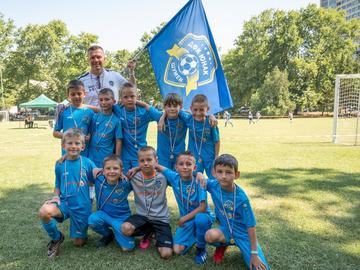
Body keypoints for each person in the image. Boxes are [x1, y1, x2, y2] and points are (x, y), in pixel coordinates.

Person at [38, 128, 96, 258]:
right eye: (70, 143)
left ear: (83, 146)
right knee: (44, 211)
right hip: (64, 203)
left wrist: (92, 194)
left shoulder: (87, 162)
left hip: (82, 206)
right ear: (63, 145)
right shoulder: (59, 164)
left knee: (79, 243)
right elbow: (57, 184)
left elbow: (95, 177)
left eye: (77, 143)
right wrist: (55, 197)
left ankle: (79, 231)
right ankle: (57, 238)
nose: (73, 146)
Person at [204, 154, 269, 269]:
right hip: (227, 230)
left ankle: (248, 250)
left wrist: (254, 254)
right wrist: (199, 174)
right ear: (214, 173)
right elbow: (196, 177)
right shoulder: (213, 185)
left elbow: (251, 226)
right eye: (220, 172)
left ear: (236, 175)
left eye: (228, 172)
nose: (223, 176)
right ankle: (222, 245)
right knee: (210, 236)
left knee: (260, 268)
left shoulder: (241, 199)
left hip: (243, 234)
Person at [156, 151, 214, 264]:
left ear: (195, 167)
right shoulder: (174, 177)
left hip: (202, 216)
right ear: (176, 167)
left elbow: (203, 207)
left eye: (188, 164)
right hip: (187, 221)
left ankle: (201, 249)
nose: (185, 167)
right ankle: (196, 235)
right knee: (177, 250)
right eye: (181, 164)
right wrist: (137, 169)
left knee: (200, 220)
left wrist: (183, 218)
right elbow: (156, 166)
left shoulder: (199, 181)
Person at [121, 146, 173, 259]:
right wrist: (135, 170)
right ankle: (149, 232)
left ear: (156, 160)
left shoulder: (163, 177)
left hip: (160, 219)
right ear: (138, 162)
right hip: (142, 217)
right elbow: (119, 180)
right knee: (125, 228)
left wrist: (197, 174)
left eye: (149, 160)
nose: (145, 163)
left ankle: (155, 232)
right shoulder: (133, 176)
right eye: (142, 161)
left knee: (166, 254)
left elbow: (180, 177)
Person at [88, 155, 134, 250]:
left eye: (116, 168)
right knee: (92, 220)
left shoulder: (126, 183)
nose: (112, 171)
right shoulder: (98, 179)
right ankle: (108, 234)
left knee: (128, 248)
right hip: (104, 215)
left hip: (121, 218)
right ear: (103, 171)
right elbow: (83, 167)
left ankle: (119, 231)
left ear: (122, 171)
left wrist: (136, 169)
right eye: (108, 168)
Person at [113, 83, 158, 173]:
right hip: (124, 155)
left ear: (137, 97)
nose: (129, 99)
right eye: (125, 97)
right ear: (121, 99)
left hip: (141, 155)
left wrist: (144, 105)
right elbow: (103, 109)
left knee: (141, 182)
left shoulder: (143, 111)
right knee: (125, 180)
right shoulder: (118, 109)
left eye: (132, 96)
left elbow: (159, 116)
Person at [136, 93, 187, 170]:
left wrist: (210, 116)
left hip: (179, 158)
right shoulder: (159, 116)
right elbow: (146, 106)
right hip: (162, 158)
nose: (172, 109)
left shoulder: (184, 119)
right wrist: (131, 101)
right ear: (164, 107)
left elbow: (196, 115)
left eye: (175, 106)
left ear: (181, 107)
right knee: (163, 180)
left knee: (177, 180)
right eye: (169, 106)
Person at [178, 94, 220, 178]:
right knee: (194, 179)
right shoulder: (189, 119)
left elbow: (217, 141)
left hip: (210, 156)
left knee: (214, 179)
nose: (198, 113)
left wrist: (216, 157)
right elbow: (176, 109)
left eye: (201, 110)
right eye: (195, 110)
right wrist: (162, 117)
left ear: (207, 109)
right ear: (191, 108)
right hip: (194, 156)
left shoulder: (211, 123)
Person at [53, 80, 94, 156]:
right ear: (68, 95)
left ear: (84, 94)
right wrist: (69, 135)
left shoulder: (90, 112)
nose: (76, 96)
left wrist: (89, 136)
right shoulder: (63, 112)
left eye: (79, 93)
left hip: (84, 155)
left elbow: (92, 132)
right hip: (67, 156)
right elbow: (55, 133)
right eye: (73, 94)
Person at [88, 88, 123, 167]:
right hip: (92, 156)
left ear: (114, 101)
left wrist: (117, 159)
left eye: (107, 99)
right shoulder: (95, 117)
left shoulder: (116, 121)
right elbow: (90, 133)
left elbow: (118, 141)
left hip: (106, 157)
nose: (103, 102)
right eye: (101, 100)